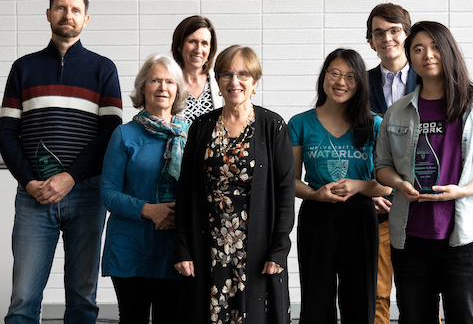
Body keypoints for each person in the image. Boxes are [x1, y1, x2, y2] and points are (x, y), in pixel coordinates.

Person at [0, 0, 122, 323]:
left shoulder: (103, 69)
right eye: (60, 8)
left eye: (75, 10)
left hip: (87, 194)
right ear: (48, 14)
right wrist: (29, 182)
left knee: (83, 299)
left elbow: (110, 133)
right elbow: (6, 133)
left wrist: (70, 177)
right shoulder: (23, 68)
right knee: (23, 299)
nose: (67, 15)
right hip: (33, 196)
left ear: (85, 19)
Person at [375, 21, 473, 324]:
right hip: (411, 236)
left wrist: (465, 190)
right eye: (418, 49)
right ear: (410, 57)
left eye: (434, 47)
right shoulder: (398, 110)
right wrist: (399, 184)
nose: (427, 55)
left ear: (448, 52)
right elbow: (382, 167)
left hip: (469, 236)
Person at [174, 45, 295, 324]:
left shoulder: (273, 126)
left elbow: (285, 191)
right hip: (208, 243)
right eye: (226, 74)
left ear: (254, 81)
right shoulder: (202, 127)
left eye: (243, 74)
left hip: (258, 245)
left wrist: (279, 247)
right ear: (217, 81)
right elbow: (186, 189)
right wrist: (182, 246)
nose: (234, 81)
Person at [289, 48, 392, 324]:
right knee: (316, 300)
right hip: (316, 215)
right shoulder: (299, 123)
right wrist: (314, 193)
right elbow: (289, 181)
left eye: (350, 76)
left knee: (361, 299)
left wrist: (358, 186)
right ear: (323, 77)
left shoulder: (374, 124)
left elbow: (386, 186)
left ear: (359, 83)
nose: (341, 82)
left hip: (360, 217)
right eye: (334, 73)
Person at [100, 53, 189, 323]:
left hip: (174, 249)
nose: (163, 87)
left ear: (178, 91)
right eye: (155, 81)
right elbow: (108, 193)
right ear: (142, 88)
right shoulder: (124, 135)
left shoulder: (191, 136)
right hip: (130, 249)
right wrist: (149, 210)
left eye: (170, 82)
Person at [365, 2, 418, 324]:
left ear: (407, 35)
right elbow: (347, 142)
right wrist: (368, 191)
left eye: (395, 30)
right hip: (377, 206)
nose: (387, 38)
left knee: (422, 294)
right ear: (370, 41)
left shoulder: (432, 80)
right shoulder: (358, 83)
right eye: (379, 32)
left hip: (421, 204)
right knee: (376, 294)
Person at [171, 15, 223, 121]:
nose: (198, 50)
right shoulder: (169, 83)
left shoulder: (221, 82)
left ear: (210, 49)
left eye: (204, 43)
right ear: (179, 46)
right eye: (192, 42)